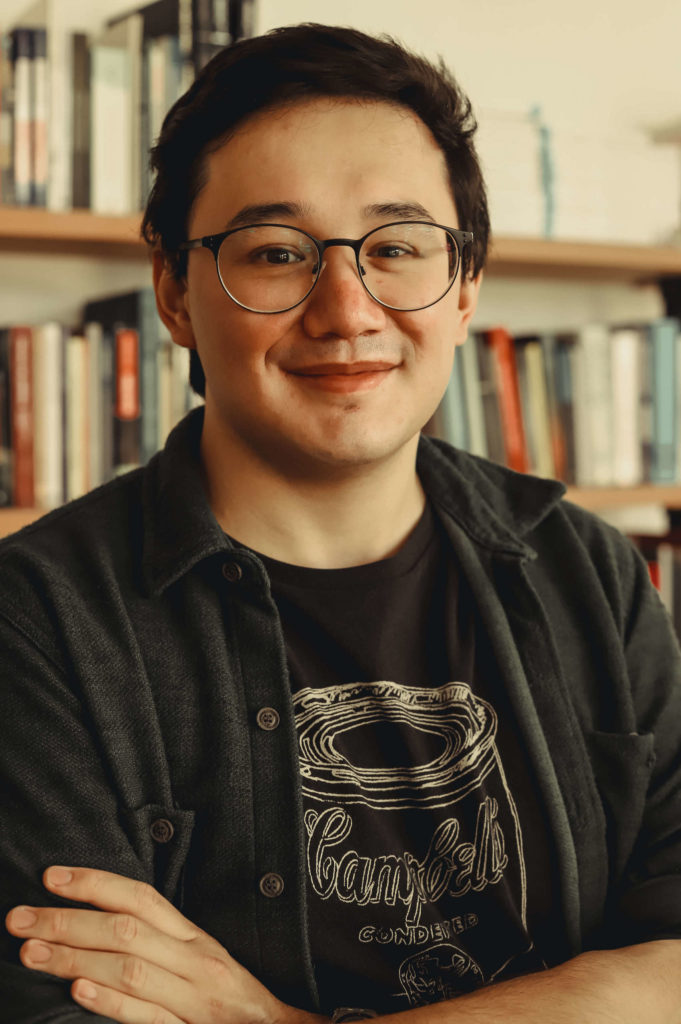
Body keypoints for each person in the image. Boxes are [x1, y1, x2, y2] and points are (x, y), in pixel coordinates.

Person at [2, 21, 681, 1024]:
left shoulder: (585, 566)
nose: (346, 309)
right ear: (175, 294)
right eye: (277, 253)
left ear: (465, 285)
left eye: (396, 248)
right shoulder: (38, 620)